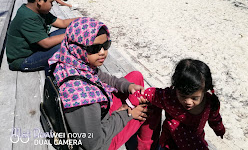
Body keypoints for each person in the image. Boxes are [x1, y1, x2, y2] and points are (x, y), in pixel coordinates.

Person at [48, 17, 162, 150]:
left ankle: (130, 118)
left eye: (106, 45)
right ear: (77, 47)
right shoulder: (82, 97)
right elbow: (94, 144)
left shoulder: (72, 61)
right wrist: (127, 114)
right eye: (95, 48)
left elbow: (104, 78)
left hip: (100, 114)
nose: (102, 52)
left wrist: (128, 86)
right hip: (102, 142)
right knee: (151, 106)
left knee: (135, 77)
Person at [126, 58, 226, 149]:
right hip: (168, 144)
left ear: (205, 90)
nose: (188, 102)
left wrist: (219, 130)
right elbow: (148, 93)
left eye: (194, 98)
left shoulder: (210, 103)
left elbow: (215, 118)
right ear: (175, 88)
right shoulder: (170, 98)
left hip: (193, 143)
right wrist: (130, 104)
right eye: (183, 96)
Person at [6, 0, 78, 72]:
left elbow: (62, 23)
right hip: (23, 60)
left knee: (70, 30)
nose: (52, 6)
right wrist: (73, 34)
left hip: (36, 48)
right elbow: (46, 43)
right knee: (68, 45)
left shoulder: (38, 10)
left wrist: (82, 20)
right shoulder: (27, 17)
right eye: (51, 2)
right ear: (39, 0)